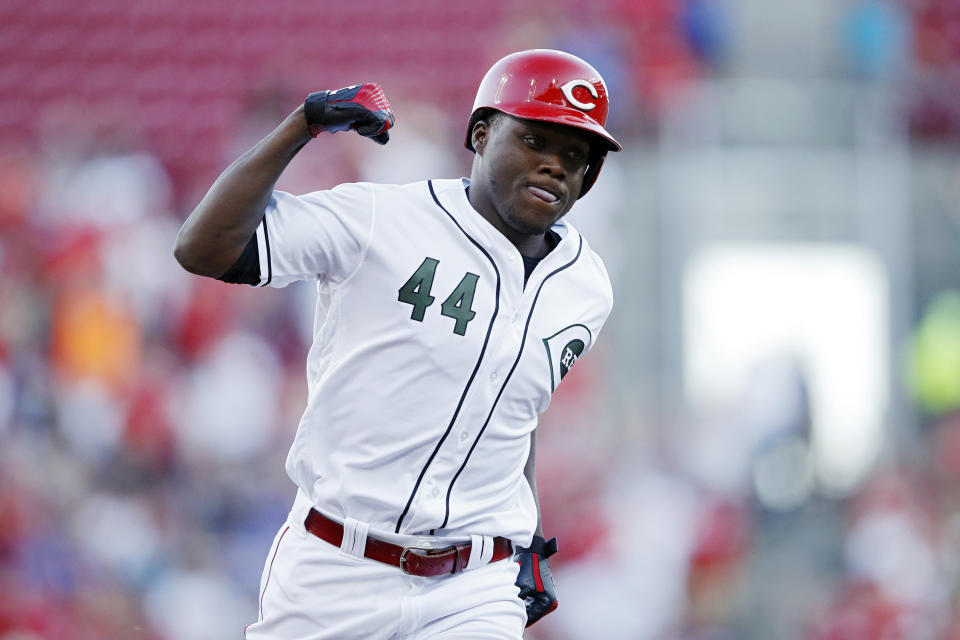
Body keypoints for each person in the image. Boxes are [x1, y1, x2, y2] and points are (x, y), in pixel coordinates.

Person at [173, 49, 620, 639]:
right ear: (481, 135)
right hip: (335, 566)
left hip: (474, 585)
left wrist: (528, 534)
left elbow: (514, 405)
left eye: (575, 155)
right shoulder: (381, 218)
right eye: (536, 141)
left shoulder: (586, 286)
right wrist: (300, 127)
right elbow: (201, 248)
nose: (556, 166)